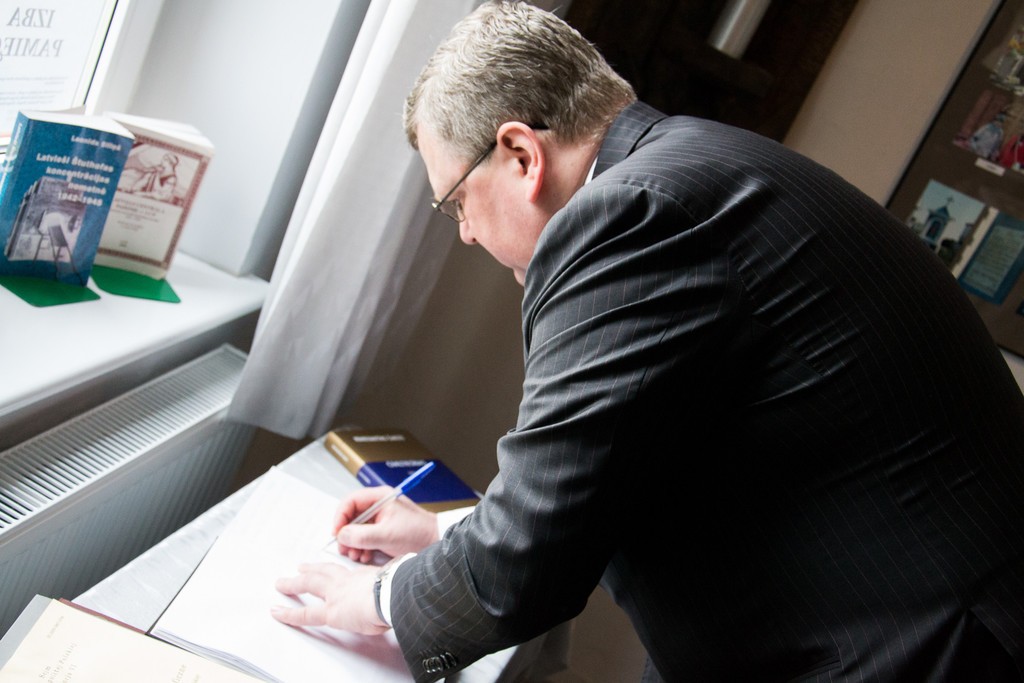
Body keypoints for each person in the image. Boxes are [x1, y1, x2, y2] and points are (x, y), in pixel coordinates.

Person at [272, 2, 1024, 680]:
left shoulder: (629, 215)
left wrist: (377, 597)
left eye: (456, 202)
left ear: (522, 155)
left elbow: (526, 560)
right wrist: (443, 530)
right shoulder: (691, 168)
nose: (465, 232)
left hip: (914, 651)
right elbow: (603, 475)